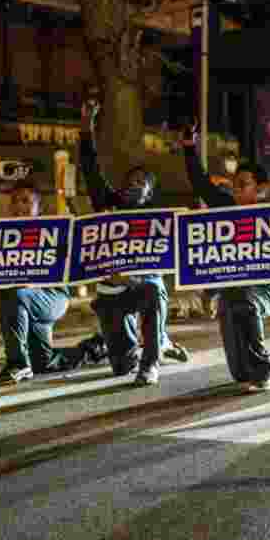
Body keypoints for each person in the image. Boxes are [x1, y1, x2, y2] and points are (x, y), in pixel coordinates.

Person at [182, 126, 270, 391]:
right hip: (231, 289)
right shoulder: (226, 207)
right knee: (240, 373)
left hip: (264, 288)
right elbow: (200, 183)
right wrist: (190, 146)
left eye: (243, 185)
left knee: (245, 303)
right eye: (234, 184)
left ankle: (266, 372)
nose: (236, 190)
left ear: (260, 189)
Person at [79, 103, 182, 387]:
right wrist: (87, 128)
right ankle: (153, 344)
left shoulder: (156, 219)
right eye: (131, 180)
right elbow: (90, 167)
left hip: (141, 287)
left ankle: (151, 362)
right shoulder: (107, 204)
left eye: (142, 181)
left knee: (154, 288)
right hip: (111, 293)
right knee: (122, 367)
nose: (134, 184)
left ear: (150, 192)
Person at [0, 179, 108, 386]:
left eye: (26, 201)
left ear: (39, 207)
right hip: (21, 304)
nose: (20, 206)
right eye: (15, 201)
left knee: (15, 294)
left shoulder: (52, 232)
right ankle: (97, 347)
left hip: (52, 297)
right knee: (44, 363)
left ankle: (17, 364)